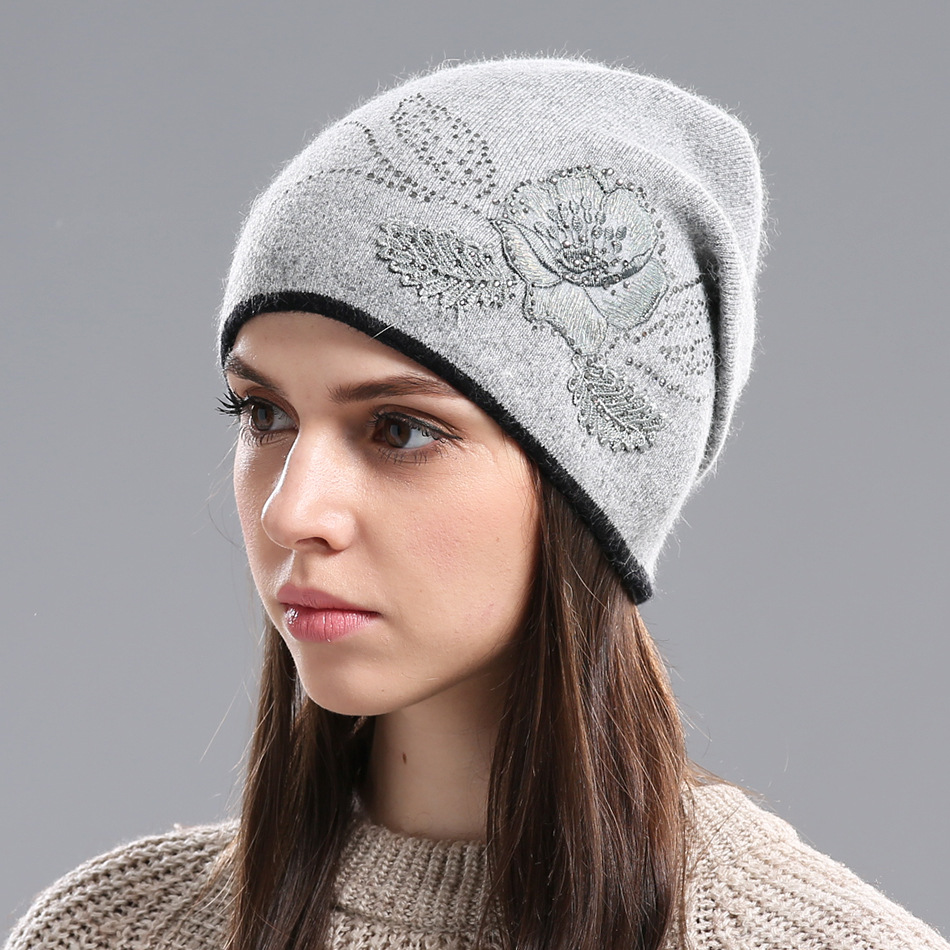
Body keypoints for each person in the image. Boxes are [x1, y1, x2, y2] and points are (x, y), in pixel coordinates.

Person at [5, 56, 947, 950]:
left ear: (593, 488)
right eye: (265, 413)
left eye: (399, 429)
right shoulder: (112, 931)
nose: (292, 514)